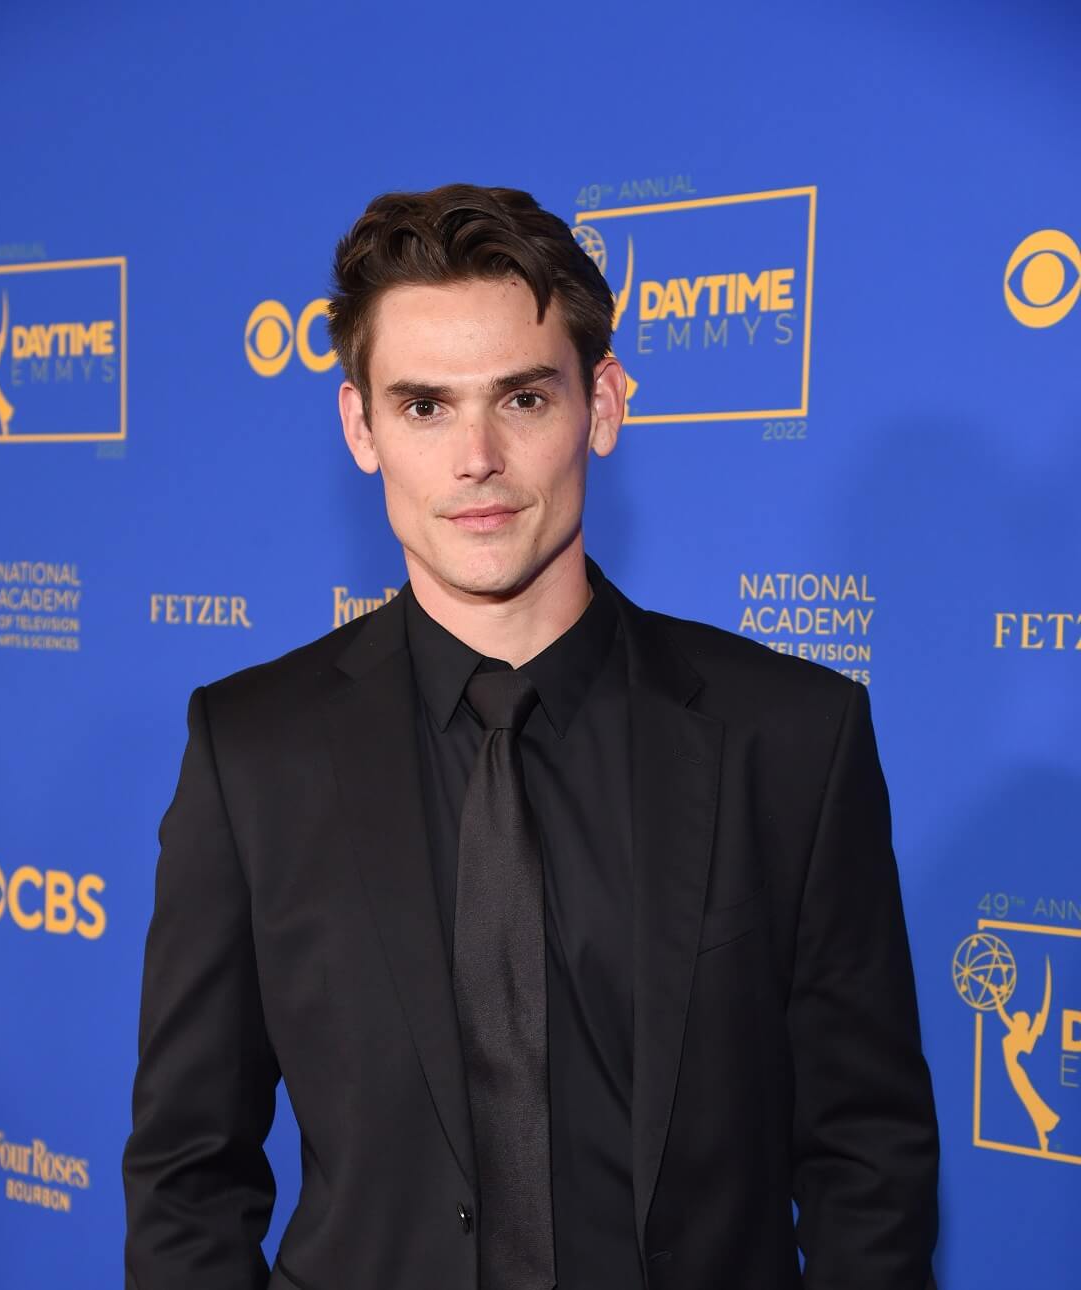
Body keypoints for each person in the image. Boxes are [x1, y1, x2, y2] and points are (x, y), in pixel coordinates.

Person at [122, 183, 940, 1290]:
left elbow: (867, 1158)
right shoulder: (252, 750)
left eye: (521, 399)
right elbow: (187, 1173)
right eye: (423, 407)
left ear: (600, 405)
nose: (476, 461)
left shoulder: (791, 738)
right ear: (360, 427)